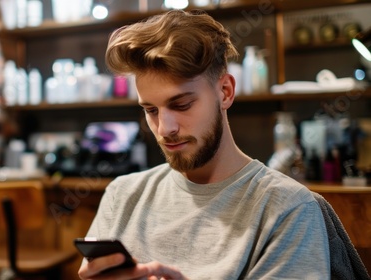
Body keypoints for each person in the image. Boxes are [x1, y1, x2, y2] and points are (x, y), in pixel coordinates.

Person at [78, 9, 330, 279]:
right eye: (151, 110)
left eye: (182, 105)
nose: (165, 128)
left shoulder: (287, 209)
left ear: (225, 92)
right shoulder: (122, 195)